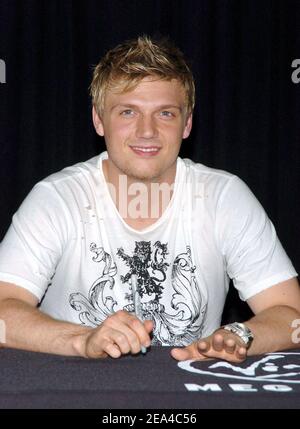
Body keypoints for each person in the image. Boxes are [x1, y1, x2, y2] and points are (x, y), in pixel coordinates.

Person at [0, 36, 299, 363]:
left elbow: (290, 315)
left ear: (187, 124)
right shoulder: (56, 199)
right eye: (128, 112)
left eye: (165, 114)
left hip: (191, 398)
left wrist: (241, 337)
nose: (147, 131)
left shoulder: (225, 197)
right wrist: (84, 341)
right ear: (99, 120)